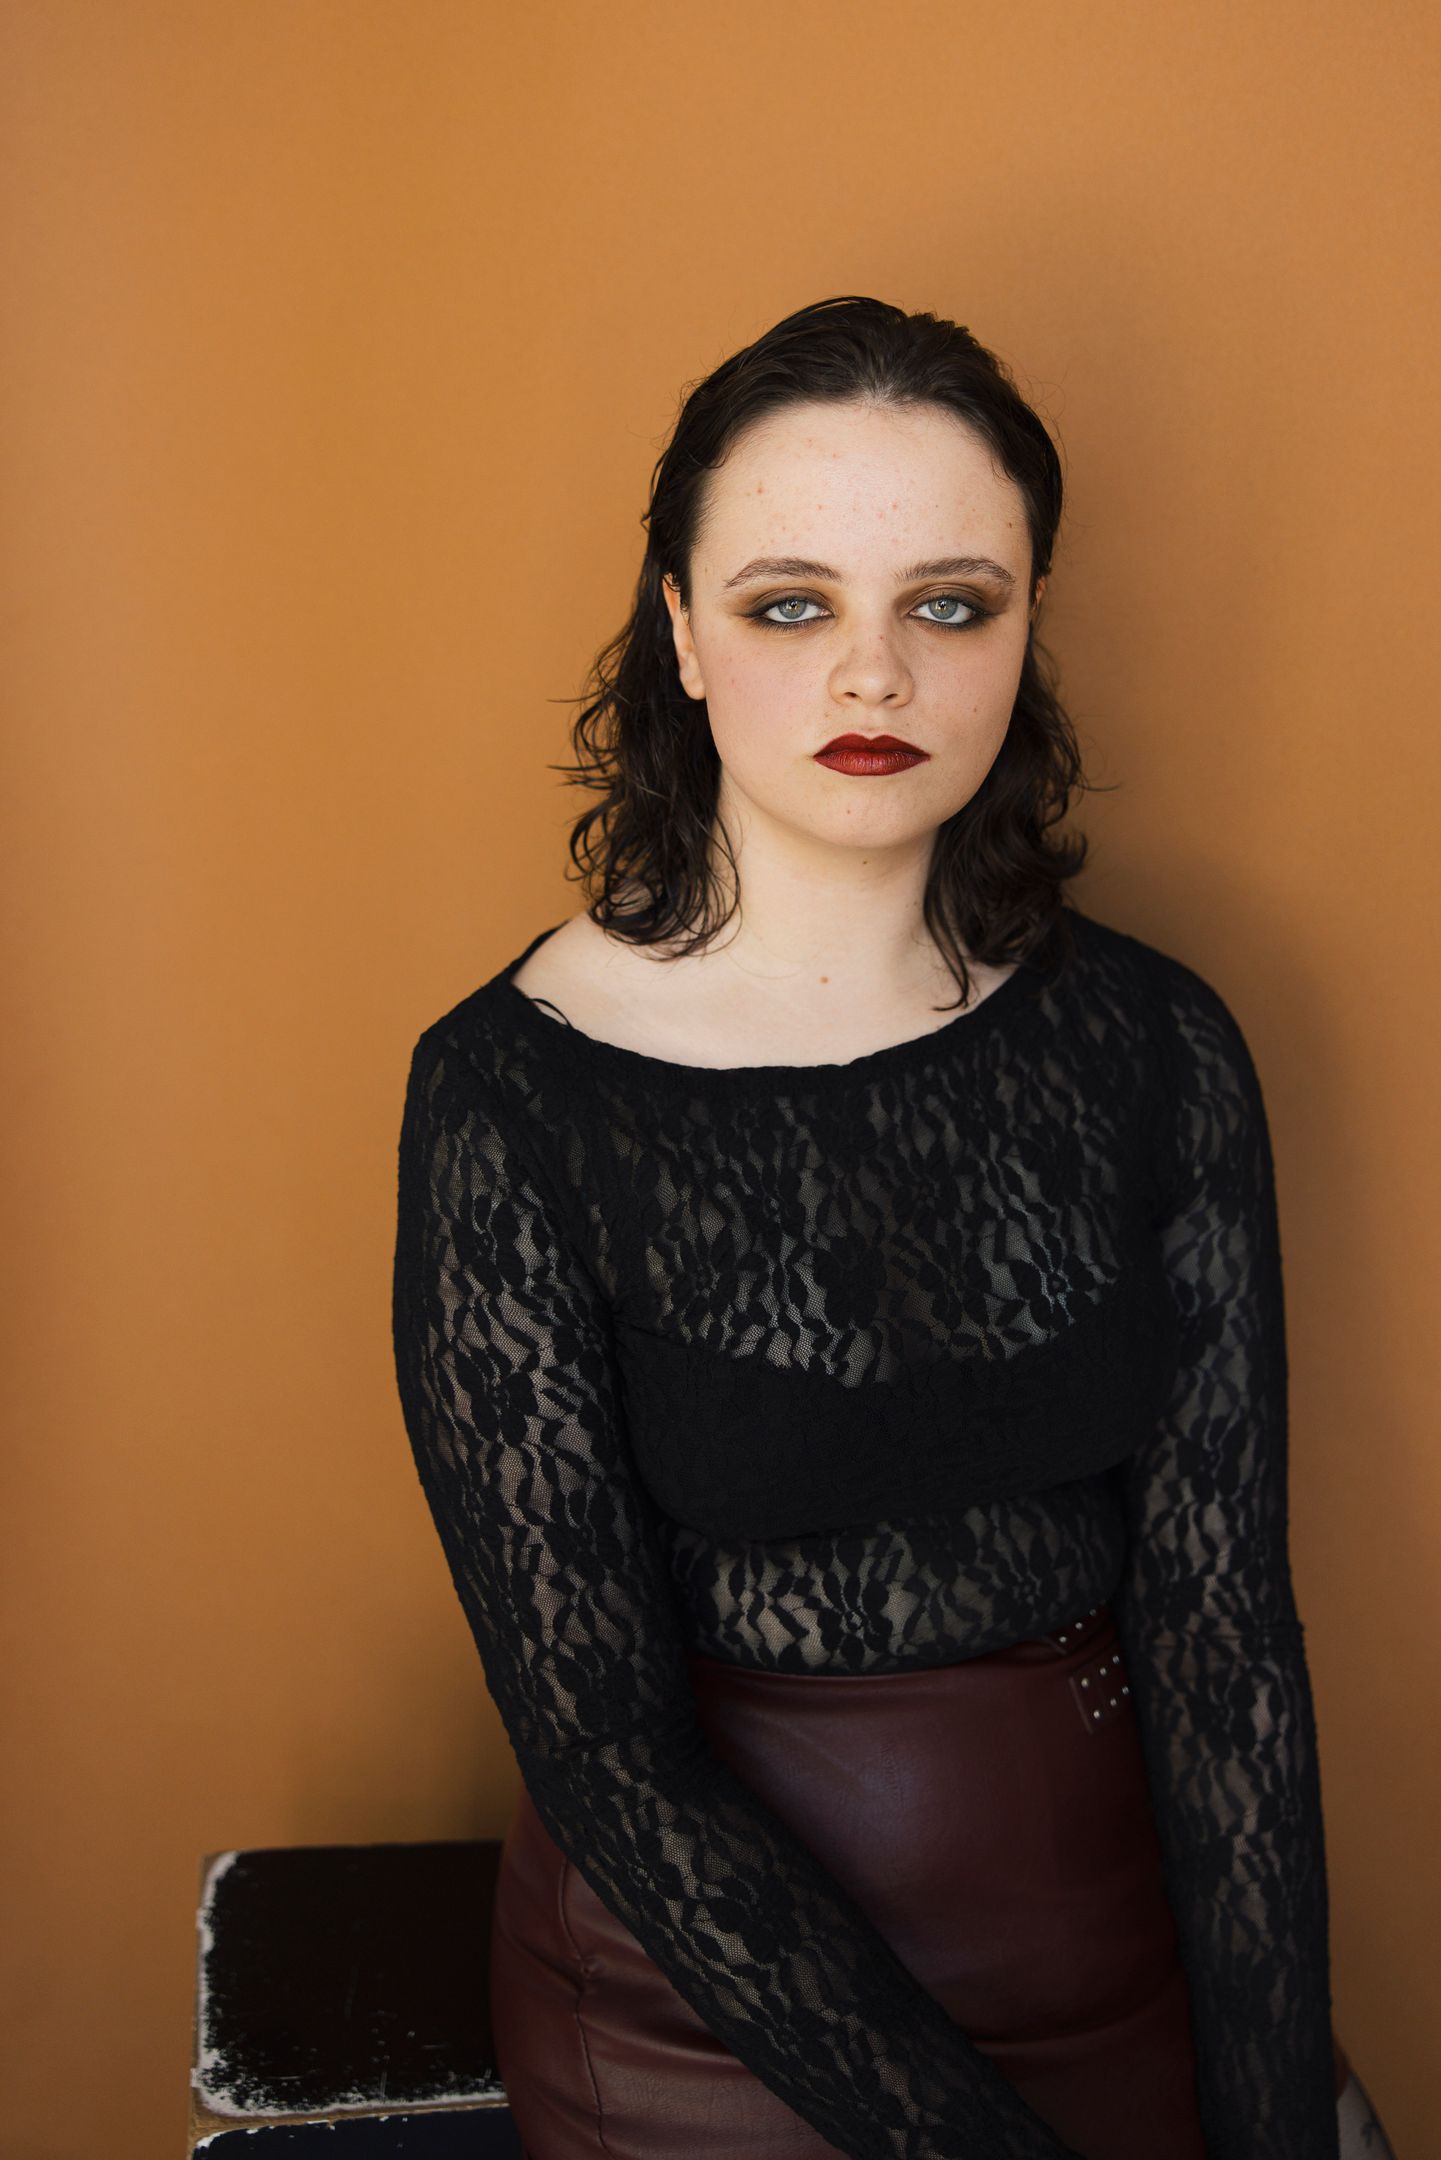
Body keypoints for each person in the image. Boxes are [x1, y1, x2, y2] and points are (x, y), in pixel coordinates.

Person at [390, 297, 1395, 2158]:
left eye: (948, 604)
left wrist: (1266, 2118)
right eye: (790, 606)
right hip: (706, 2025)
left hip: (1106, 1964)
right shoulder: (513, 1096)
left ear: (1024, 626)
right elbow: (603, 1748)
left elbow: (1224, 1639)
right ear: (679, 634)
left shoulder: (1156, 1044)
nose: (875, 677)